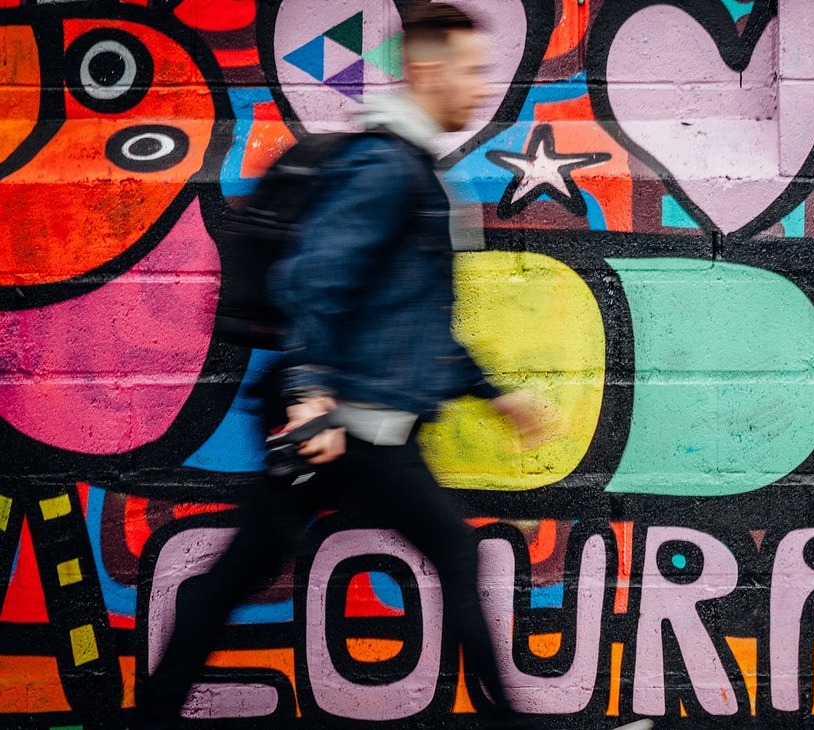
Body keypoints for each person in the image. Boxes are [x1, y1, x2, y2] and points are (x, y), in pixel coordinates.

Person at [133, 4, 553, 728]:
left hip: (362, 424)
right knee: (451, 553)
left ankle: (152, 712)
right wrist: (309, 391)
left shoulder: (412, 171)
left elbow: (412, 324)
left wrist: (493, 396)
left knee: (240, 573)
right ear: (425, 70)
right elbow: (313, 276)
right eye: (469, 70)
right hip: (343, 423)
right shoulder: (385, 168)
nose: (479, 87)